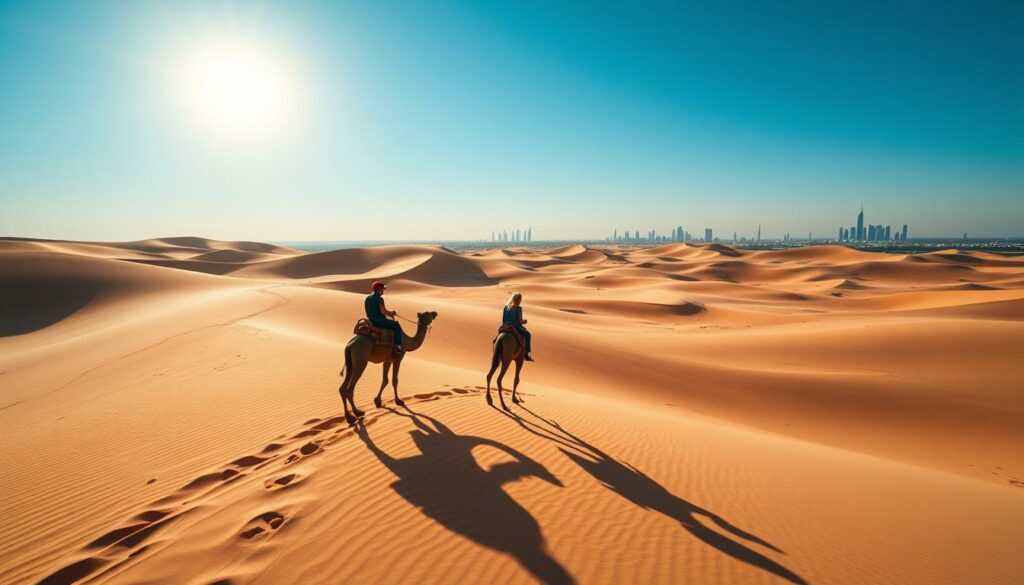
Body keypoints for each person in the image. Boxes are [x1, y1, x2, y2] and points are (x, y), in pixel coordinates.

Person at [366, 281, 403, 352]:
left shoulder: (367, 298)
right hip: (379, 321)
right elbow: (383, 311)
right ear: (379, 289)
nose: (383, 291)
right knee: (396, 325)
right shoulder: (379, 299)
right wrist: (391, 313)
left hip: (370, 321)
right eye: (382, 289)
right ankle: (398, 346)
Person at [502, 292, 533, 361]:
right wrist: (524, 322)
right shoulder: (518, 308)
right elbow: (520, 321)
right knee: (528, 334)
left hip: (505, 326)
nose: (520, 301)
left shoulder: (506, 307)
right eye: (520, 299)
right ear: (517, 299)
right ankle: (526, 354)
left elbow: (503, 319)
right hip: (515, 326)